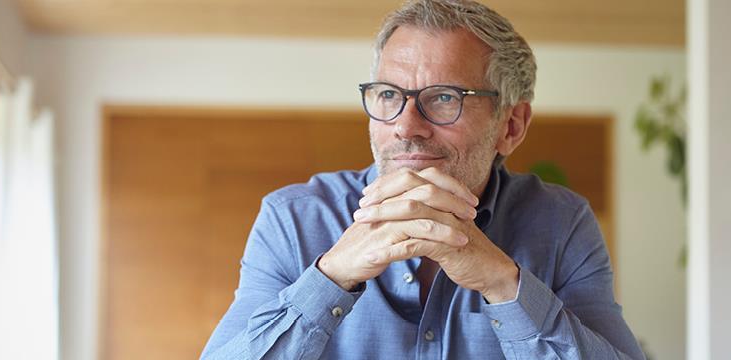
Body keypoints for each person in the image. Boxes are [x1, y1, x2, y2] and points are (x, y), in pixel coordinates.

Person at [201, 0, 645, 358]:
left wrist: (500, 282)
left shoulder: (562, 224)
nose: (406, 125)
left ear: (510, 126)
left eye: (444, 98)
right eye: (390, 95)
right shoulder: (293, 219)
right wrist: (331, 277)